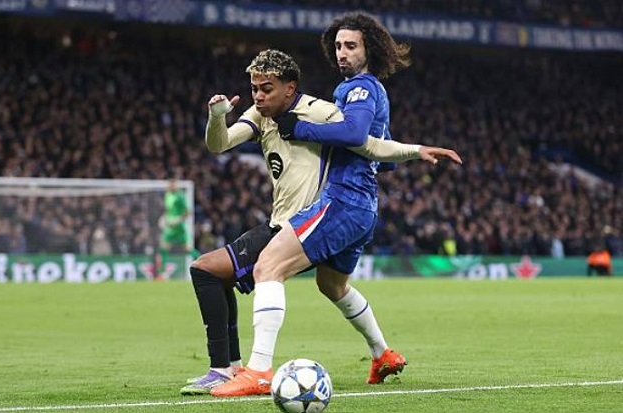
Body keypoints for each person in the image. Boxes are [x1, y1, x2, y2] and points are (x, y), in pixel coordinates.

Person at [211, 13, 462, 398]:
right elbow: (373, 147)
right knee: (332, 284)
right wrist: (415, 150)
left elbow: (354, 134)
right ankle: (382, 353)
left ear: (369, 49)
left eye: (351, 46)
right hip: (364, 207)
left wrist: (300, 128)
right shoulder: (370, 91)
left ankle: (259, 370)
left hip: (343, 200)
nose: (342, 53)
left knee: (268, 267)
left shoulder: (359, 88)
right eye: (339, 46)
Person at [157, 178, 194, 278]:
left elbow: (187, 212)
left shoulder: (180, 196)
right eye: (170, 184)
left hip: (179, 227)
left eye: (173, 184)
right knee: (163, 246)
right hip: (170, 226)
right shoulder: (168, 195)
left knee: (187, 249)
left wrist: (178, 220)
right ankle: (162, 273)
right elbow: (168, 210)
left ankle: (202, 261)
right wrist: (164, 218)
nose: (171, 186)